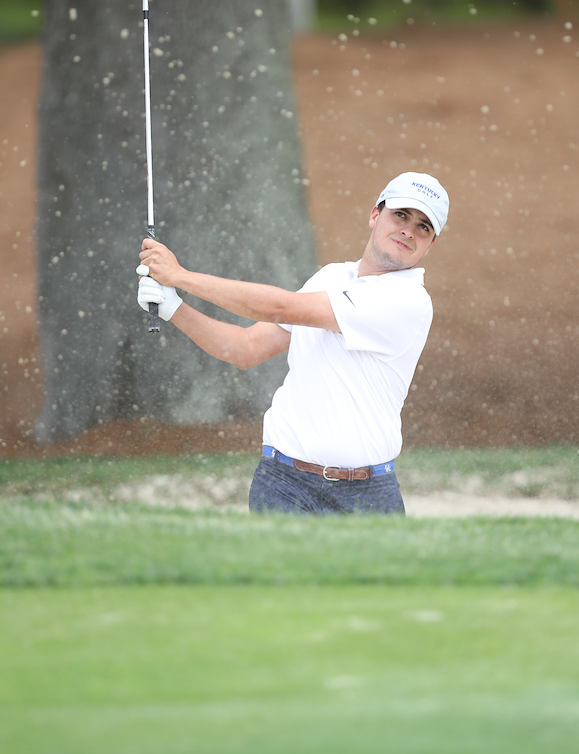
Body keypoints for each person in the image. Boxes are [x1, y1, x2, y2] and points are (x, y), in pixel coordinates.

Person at [137, 172, 448, 515]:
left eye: (424, 227)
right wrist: (173, 307)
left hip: (368, 494)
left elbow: (279, 307)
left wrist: (180, 276)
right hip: (283, 483)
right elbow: (247, 348)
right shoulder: (331, 277)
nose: (408, 230)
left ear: (430, 244)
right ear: (375, 214)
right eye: (401, 215)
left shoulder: (408, 301)